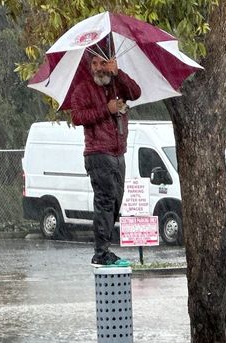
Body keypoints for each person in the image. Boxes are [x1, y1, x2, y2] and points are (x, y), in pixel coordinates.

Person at [71, 49, 141, 265]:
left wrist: (118, 74)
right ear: (89, 66)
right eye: (95, 64)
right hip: (98, 153)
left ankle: (105, 249)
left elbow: (135, 92)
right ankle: (101, 252)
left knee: (116, 201)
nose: (99, 68)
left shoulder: (116, 84)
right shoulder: (83, 89)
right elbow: (77, 117)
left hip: (118, 152)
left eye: (103, 63)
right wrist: (106, 109)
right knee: (105, 201)